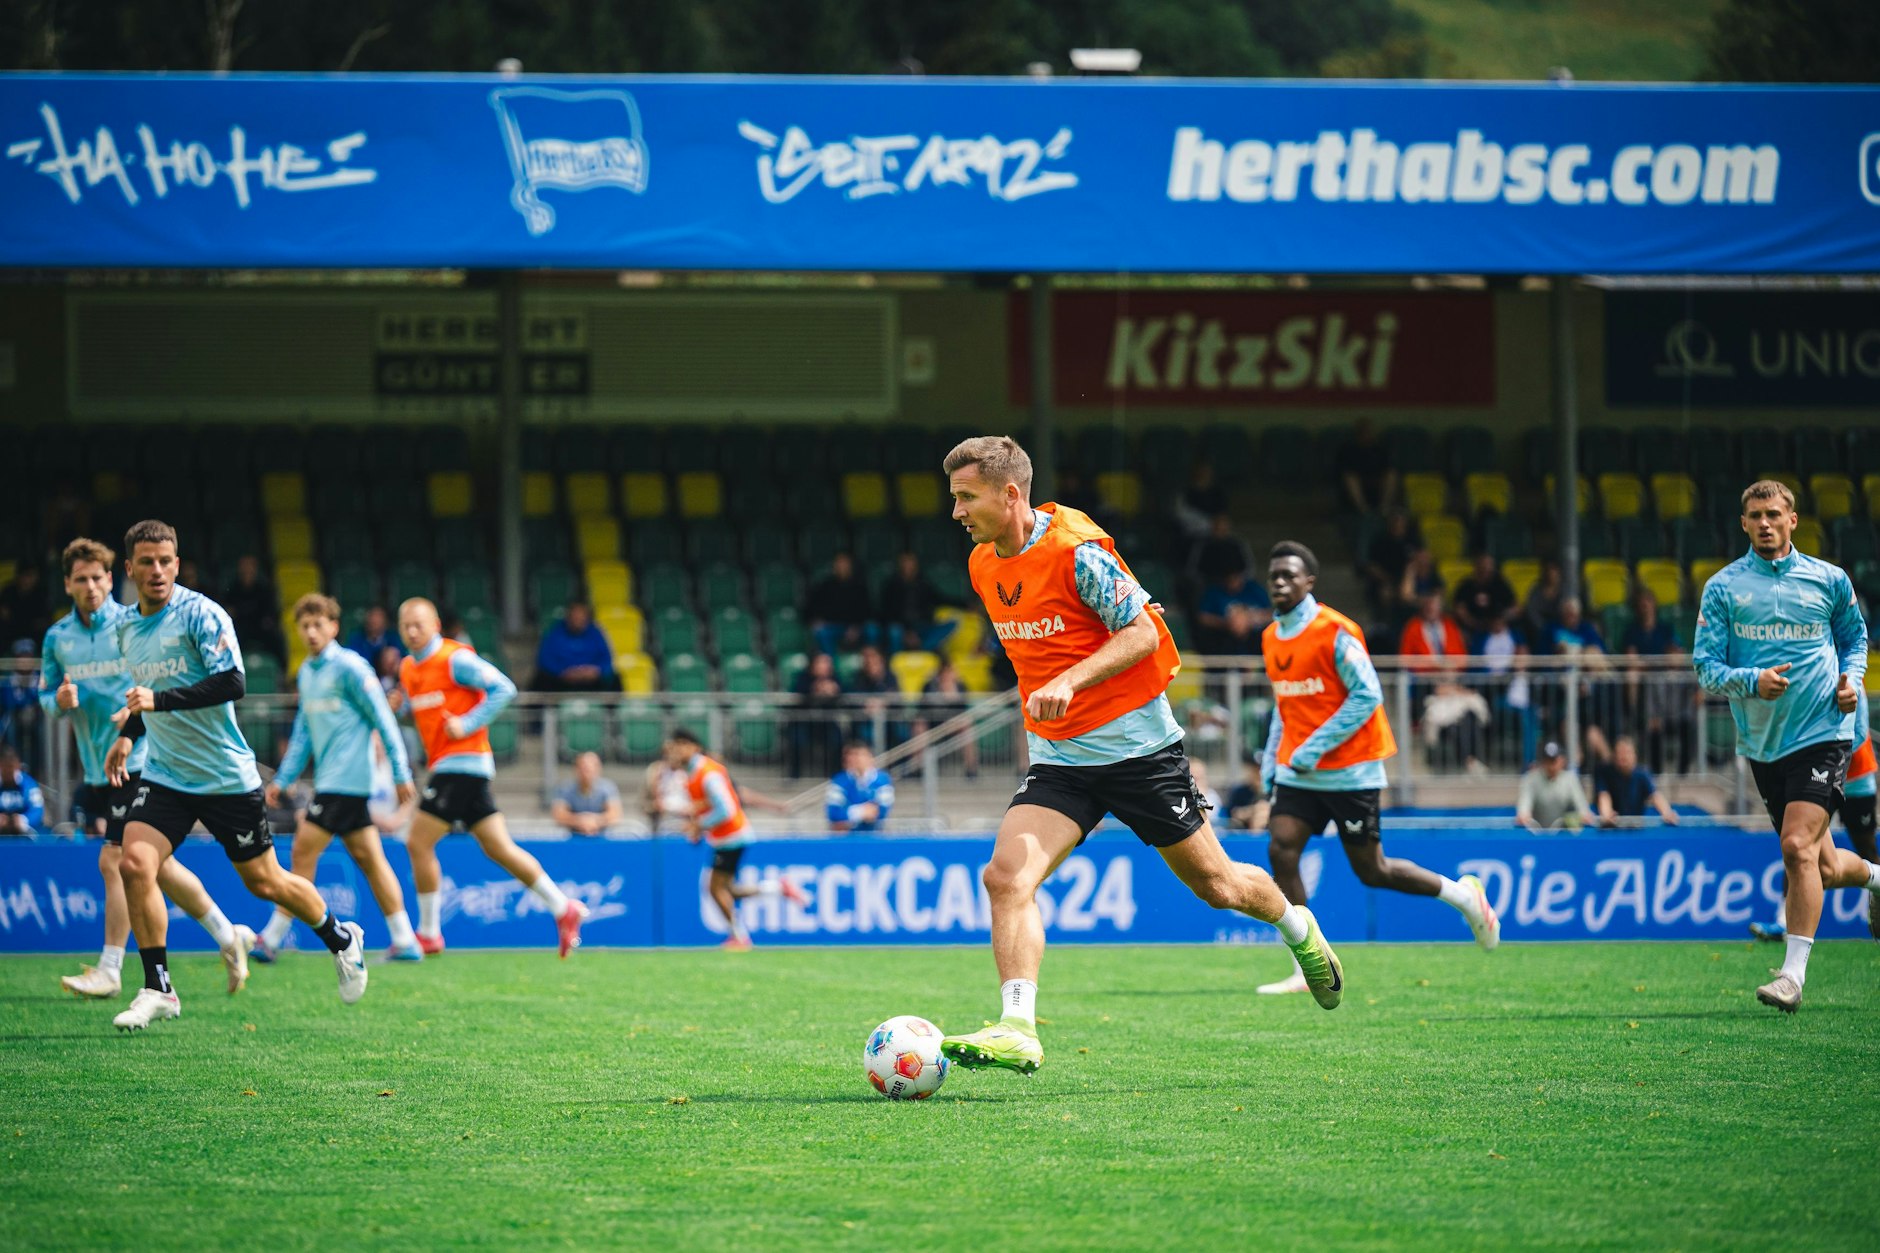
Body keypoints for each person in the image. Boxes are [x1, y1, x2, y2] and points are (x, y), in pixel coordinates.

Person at [937, 436, 1345, 1078]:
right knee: (1005, 878)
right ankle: (1017, 1026)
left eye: (966, 497)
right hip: (1062, 759)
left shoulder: (1077, 554)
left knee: (1219, 886)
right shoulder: (983, 565)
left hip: (1138, 753)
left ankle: (1300, 929)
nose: (956, 512)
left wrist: (1072, 681)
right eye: (954, 498)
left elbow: (1144, 632)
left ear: (1010, 494)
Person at [101, 520, 369, 1032]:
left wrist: (156, 702)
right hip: (166, 774)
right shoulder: (126, 628)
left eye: (166, 561)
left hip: (225, 776)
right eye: (147, 563)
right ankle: (158, 987)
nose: (157, 571)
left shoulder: (201, 613)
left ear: (177, 564)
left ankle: (340, 937)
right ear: (129, 569)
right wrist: (129, 733)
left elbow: (233, 682)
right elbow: (148, 688)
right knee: (135, 863)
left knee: (265, 882)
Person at [1256, 541, 1498, 998]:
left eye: (1290, 575)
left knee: (1373, 870)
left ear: (1310, 582)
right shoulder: (1271, 637)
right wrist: (1274, 761)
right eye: (1274, 576)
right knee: (1281, 851)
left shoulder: (1336, 631)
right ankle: (1309, 963)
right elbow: (1283, 705)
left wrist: (1311, 747)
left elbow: (1367, 696)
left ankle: (1465, 896)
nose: (1280, 583)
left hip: (1351, 772)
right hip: (1299, 773)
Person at [1692, 480, 1880, 1013]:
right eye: (1755, 516)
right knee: (1817, 866)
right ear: (1744, 523)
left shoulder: (1829, 579)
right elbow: (1706, 668)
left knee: (1796, 847)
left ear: (1793, 519)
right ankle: (1877, 879)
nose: (1765, 523)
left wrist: (1850, 679)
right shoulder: (1724, 589)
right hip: (1764, 742)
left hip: (1825, 733)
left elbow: (1854, 638)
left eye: (1774, 514)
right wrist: (1753, 681)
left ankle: (1791, 977)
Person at [42, 538, 254, 1001]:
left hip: (143, 759)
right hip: (99, 762)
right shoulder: (57, 639)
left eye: (98, 577)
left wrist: (136, 721)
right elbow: (46, 696)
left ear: (111, 577)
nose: (91, 586)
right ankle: (227, 935)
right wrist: (57, 703)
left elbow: (161, 678)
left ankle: (112, 969)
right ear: (68, 585)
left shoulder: (131, 622)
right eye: (81, 579)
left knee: (114, 860)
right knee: (154, 866)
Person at [398, 597, 587, 957]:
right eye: (405, 625)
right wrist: (402, 711)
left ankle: (428, 933)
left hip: (462, 763)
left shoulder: (455, 658)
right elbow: (422, 715)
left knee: (417, 842)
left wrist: (467, 723)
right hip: (450, 765)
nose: (411, 631)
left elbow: (505, 688)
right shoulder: (409, 668)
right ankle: (564, 908)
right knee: (499, 848)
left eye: (418, 624)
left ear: (436, 625)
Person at [252, 594, 422, 964]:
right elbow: (303, 733)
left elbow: (383, 718)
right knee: (370, 858)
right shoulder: (308, 673)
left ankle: (272, 938)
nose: (312, 632)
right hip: (336, 784)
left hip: (343, 783)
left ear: (334, 627)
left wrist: (400, 772)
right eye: (305, 626)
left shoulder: (351, 667)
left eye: (319, 624)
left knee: (302, 851)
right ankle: (405, 939)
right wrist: (283, 779)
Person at [663, 728, 807, 951]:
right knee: (726, 889)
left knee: (714, 888)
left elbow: (726, 809)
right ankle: (778, 889)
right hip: (725, 837)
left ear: (694, 747)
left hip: (732, 835)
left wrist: (698, 825)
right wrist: (696, 826)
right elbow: (706, 807)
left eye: (681, 744)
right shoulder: (691, 775)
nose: (676, 749)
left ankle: (739, 936)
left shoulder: (707, 773)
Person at [532, 601, 618, 693]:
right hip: (562, 679)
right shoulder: (555, 633)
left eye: (581, 617)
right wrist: (562, 672)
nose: (578, 620)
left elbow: (607, 659)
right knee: (540, 680)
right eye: (575, 617)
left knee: (615, 679)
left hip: (590, 679)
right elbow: (544, 660)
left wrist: (596, 671)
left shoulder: (595, 633)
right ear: (568, 617)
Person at [878, 551, 956, 653]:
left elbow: (939, 599)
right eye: (905, 562)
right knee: (894, 631)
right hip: (900, 626)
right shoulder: (891, 584)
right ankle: (895, 660)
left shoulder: (923, 583)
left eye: (911, 562)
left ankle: (922, 651)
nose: (908, 565)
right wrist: (909, 632)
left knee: (952, 624)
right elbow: (886, 612)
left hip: (921, 625)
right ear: (900, 564)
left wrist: (966, 604)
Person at [1593, 735, 1679, 826]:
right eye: (1620, 753)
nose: (1624, 757)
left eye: (1627, 752)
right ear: (1614, 756)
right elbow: (1603, 795)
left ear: (1635, 755)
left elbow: (1655, 796)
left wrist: (1667, 813)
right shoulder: (1604, 772)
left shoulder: (1642, 774)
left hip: (1635, 827)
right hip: (1611, 828)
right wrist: (1607, 814)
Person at [221, 554, 286, 668]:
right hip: (240, 627)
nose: (247, 570)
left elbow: (271, 612)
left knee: (277, 638)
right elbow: (227, 611)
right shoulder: (233, 588)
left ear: (255, 569)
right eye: (244, 567)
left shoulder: (264, 588)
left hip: (259, 627)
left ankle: (281, 673)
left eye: (250, 566)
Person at [1515, 741, 1597, 832]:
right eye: (1547, 761)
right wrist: (1524, 815)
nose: (1551, 766)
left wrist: (1584, 815)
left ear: (1562, 761)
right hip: (1536, 835)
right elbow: (1524, 806)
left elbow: (1582, 806)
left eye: (1554, 761)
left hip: (1564, 835)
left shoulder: (1570, 779)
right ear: (1542, 762)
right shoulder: (1530, 779)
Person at [805, 553, 875, 656]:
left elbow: (867, 611)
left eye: (845, 563)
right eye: (839, 563)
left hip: (856, 626)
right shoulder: (826, 585)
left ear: (850, 566)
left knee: (872, 630)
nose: (842, 566)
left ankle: (874, 666)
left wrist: (856, 626)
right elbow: (812, 607)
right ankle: (832, 669)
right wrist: (816, 620)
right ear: (834, 566)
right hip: (833, 626)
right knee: (822, 632)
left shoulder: (860, 586)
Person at [787, 652, 845, 778]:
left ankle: (836, 774)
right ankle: (794, 774)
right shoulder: (803, 678)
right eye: (821, 663)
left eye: (827, 663)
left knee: (838, 739)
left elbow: (846, 693)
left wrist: (835, 690)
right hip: (805, 722)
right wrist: (813, 689)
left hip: (827, 723)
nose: (825, 666)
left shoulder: (835, 679)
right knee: (796, 739)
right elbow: (796, 694)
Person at [1195, 568, 1273, 656]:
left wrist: (1249, 619)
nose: (1233, 583)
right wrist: (1228, 622)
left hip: (1255, 642)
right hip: (1224, 642)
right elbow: (1203, 617)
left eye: (1235, 578)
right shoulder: (1215, 591)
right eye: (1229, 579)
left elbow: (1272, 614)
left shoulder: (1254, 589)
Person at [826, 740, 895, 833]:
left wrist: (848, 816)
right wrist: (861, 812)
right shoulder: (839, 781)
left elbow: (881, 812)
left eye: (859, 755)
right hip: (847, 838)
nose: (855, 759)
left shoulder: (882, 780)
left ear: (870, 757)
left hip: (873, 836)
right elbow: (834, 814)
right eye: (851, 755)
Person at [1334, 418, 1398, 515]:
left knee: (1391, 475)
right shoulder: (1348, 449)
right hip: (1356, 480)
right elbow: (1344, 469)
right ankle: (1363, 509)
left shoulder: (1379, 448)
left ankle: (1384, 507)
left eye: (1369, 431)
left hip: (1377, 479)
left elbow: (1387, 466)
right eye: (1364, 432)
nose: (1367, 434)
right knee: (1350, 478)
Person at [552, 751, 623, 836]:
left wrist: (596, 821)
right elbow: (559, 814)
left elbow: (615, 814)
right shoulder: (565, 788)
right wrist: (579, 821)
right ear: (576, 769)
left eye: (590, 769)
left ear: (598, 769)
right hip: (572, 838)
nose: (586, 774)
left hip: (602, 837)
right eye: (583, 769)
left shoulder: (608, 788)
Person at [1451, 552, 1517, 638]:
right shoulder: (1466, 585)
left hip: (1498, 625)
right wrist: (1473, 623)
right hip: (1472, 627)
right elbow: (1459, 609)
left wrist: (1502, 620)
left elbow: (1516, 607)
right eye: (1482, 565)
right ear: (1475, 567)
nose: (1485, 569)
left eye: (1488, 565)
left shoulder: (1500, 583)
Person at [0, 562, 51, 649]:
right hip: (12, 632)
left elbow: (43, 620)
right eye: (27, 576)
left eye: (33, 576)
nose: (31, 579)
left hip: (34, 634)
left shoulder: (41, 593)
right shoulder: (8, 592)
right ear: (19, 576)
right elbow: (5, 616)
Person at [641, 757, 694, 834]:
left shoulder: (688, 773)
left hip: (685, 822)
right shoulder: (656, 772)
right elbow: (645, 804)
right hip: (662, 823)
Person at [0, 744, 44, 834]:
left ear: (17, 765)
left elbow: (37, 809)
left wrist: (23, 820)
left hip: (25, 834)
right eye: (5, 767)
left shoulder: (29, 784)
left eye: (11, 767)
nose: (8, 771)